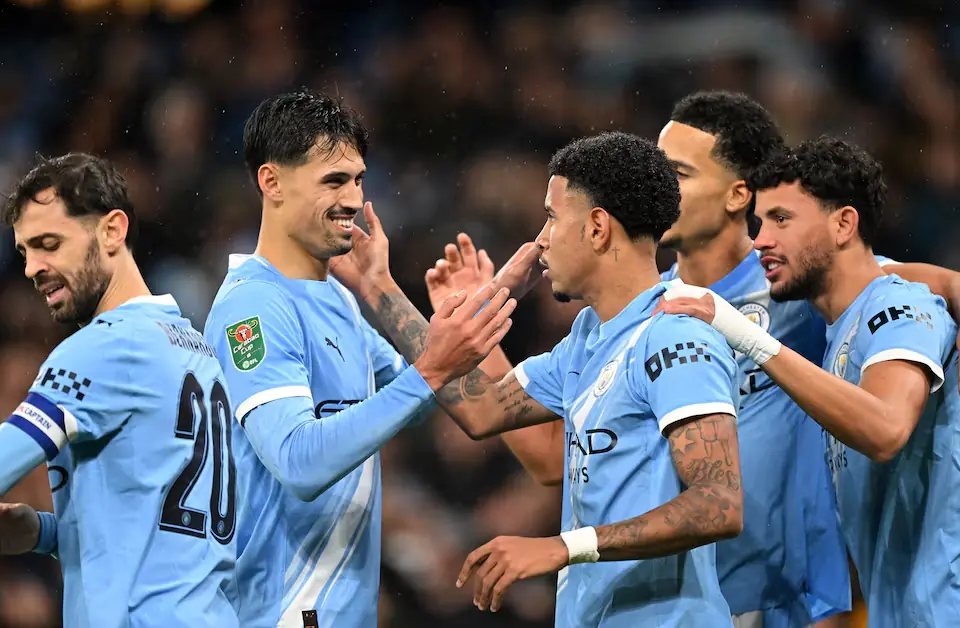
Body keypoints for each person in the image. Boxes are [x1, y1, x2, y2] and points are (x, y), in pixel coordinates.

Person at [338, 131, 745, 626]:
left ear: (598, 228)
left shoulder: (677, 338)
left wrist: (563, 547)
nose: (541, 240)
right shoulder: (588, 337)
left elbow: (719, 505)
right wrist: (377, 287)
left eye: (552, 217)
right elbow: (480, 408)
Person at [202, 90, 516, 628]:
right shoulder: (252, 305)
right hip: (281, 613)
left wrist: (426, 313)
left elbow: (419, 401)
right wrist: (432, 366)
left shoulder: (335, 296)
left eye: (357, 179)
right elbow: (299, 462)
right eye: (333, 180)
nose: (353, 198)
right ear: (271, 182)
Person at [660, 136, 960, 626]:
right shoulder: (833, 332)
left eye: (781, 219)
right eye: (759, 223)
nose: (760, 241)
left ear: (844, 224)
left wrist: (746, 336)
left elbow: (885, 429)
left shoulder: (896, 308)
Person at [0, 153, 239, 628]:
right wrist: (46, 532)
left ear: (112, 230)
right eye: (25, 251)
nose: (32, 268)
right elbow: (162, 524)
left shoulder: (104, 347)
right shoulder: (195, 348)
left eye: (49, 244)